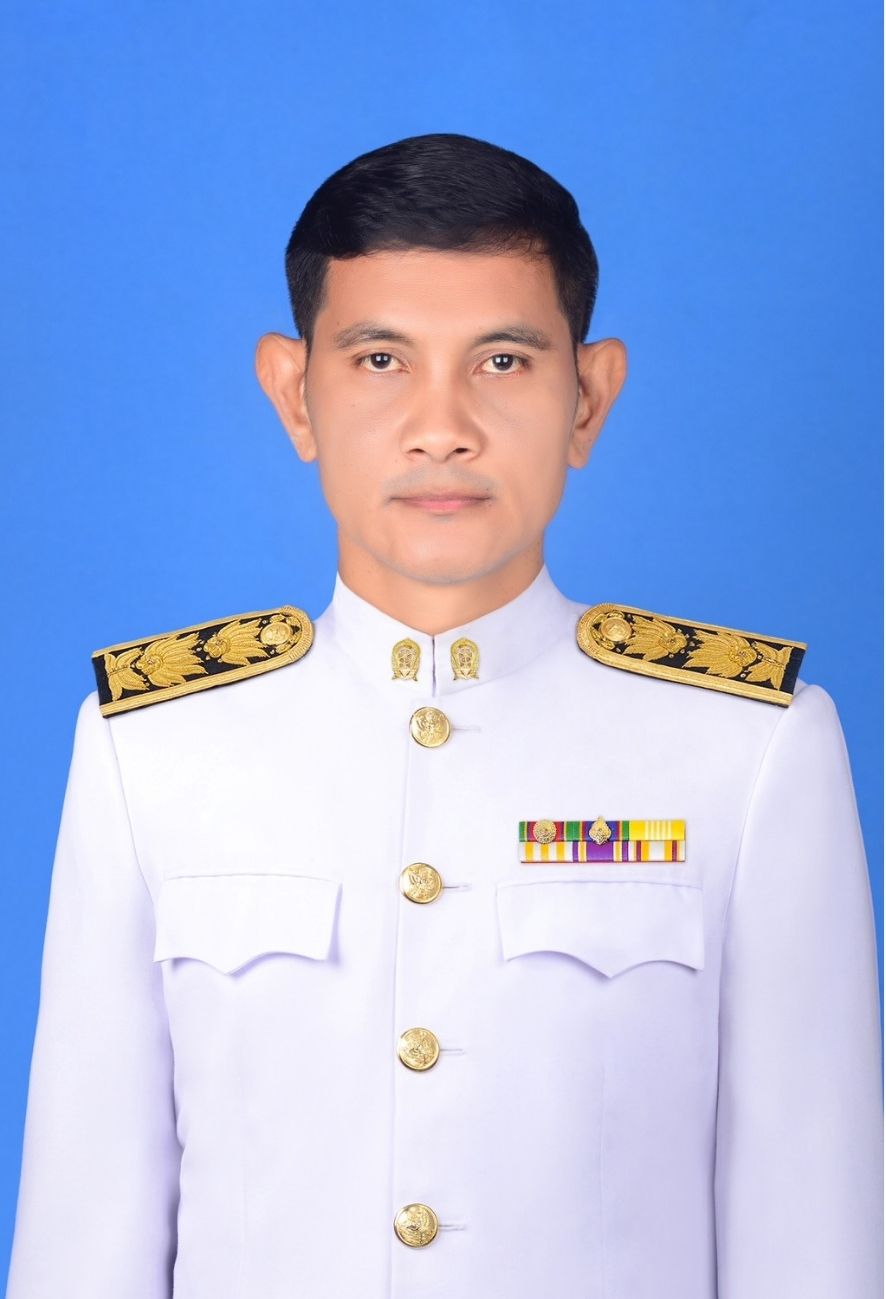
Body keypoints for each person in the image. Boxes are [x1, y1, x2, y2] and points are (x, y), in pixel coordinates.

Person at [5, 132, 882, 1299]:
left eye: (502, 361)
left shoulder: (749, 750)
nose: (441, 426)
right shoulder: (152, 750)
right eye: (379, 359)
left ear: (588, 397)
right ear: (294, 393)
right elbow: (84, 1234)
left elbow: (812, 1234)